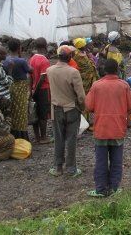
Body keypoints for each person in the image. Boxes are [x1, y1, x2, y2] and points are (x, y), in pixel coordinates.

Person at [85, 59, 131, 197]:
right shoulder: (124, 85)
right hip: (118, 128)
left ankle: (100, 189)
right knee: (116, 160)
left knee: (101, 161)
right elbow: (130, 106)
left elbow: (88, 106)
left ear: (104, 70)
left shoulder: (97, 86)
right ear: (117, 70)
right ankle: (114, 188)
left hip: (101, 128)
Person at [47, 45, 86, 177]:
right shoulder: (73, 72)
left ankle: (58, 168)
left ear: (58, 56)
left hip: (56, 109)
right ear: (70, 57)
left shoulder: (50, 70)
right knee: (71, 139)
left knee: (58, 139)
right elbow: (81, 96)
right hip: (71, 109)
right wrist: (83, 107)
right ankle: (71, 169)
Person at [2, 38, 32, 140]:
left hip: (11, 86)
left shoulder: (5, 60)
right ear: (19, 48)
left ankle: (13, 133)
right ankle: (22, 136)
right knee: (22, 110)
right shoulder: (21, 61)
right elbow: (30, 70)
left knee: (13, 109)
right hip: (21, 88)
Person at [28, 37, 52, 144]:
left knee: (35, 112)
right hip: (42, 89)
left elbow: (30, 76)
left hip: (33, 88)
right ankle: (43, 137)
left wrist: (31, 90)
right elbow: (43, 78)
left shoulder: (32, 59)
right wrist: (37, 90)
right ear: (45, 46)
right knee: (43, 114)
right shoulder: (44, 60)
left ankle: (37, 136)